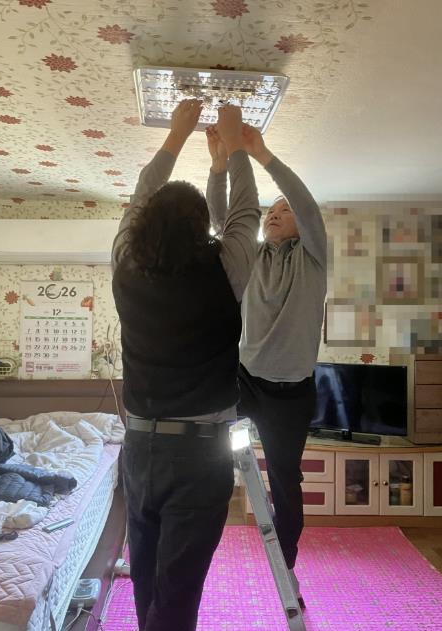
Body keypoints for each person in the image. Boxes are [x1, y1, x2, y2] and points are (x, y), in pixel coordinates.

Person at [111, 100, 260, 631]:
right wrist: (232, 148)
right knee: (177, 590)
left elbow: (141, 194)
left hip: (140, 448)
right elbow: (245, 213)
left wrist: (176, 137)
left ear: (144, 224)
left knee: (148, 580)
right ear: (202, 231)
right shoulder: (225, 268)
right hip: (198, 454)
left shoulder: (125, 263)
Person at [206, 123, 327, 606]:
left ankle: (287, 564)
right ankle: (203, 526)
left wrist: (261, 153)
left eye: (283, 210)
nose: (274, 214)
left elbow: (307, 205)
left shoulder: (313, 258)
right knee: (207, 445)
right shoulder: (253, 256)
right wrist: (219, 166)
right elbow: (225, 219)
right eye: (270, 212)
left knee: (285, 479)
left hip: (291, 393)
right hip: (246, 379)